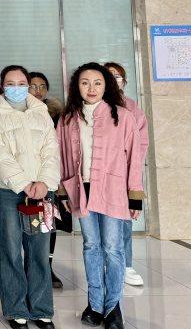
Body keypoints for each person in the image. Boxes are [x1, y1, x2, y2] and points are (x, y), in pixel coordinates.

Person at [57, 63, 144, 329]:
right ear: (77, 86)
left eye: (98, 82)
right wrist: (62, 191)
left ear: (106, 86)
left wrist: (135, 196)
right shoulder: (68, 119)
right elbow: (61, 157)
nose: (91, 88)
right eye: (85, 82)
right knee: (91, 246)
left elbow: (134, 158)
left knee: (113, 249)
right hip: (81, 190)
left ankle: (113, 308)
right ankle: (95, 304)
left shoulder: (123, 116)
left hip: (113, 190)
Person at [0, 65, 59, 329]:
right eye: (10, 84)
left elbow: (52, 150)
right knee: (11, 250)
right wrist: (24, 184)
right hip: (7, 191)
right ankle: (16, 308)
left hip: (42, 192)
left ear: (28, 85)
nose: (17, 88)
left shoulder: (41, 112)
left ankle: (41, 308)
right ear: (2, 87)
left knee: (39, 250)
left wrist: (44, 182)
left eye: (21, 83)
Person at [104, 62, 149, 288]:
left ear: (125, 81)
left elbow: (141, 143)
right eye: (109, 75)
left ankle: (126, 265)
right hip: (98, 174)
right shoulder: (93, 105)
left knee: (123, 222)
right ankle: (106, 264)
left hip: (123, 174)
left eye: (118, 76)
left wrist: (130, 169)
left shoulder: (132, 107)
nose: (114, 79)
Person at [28, 71, 68, 289]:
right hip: (24, 179)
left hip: (50, 178)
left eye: (42, 86)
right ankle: (28, 267)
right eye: (33, 86)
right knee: (26, 225)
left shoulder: (58, 116)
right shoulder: (18, 113)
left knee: (48, 225)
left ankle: (47, 267)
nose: (38, 91)